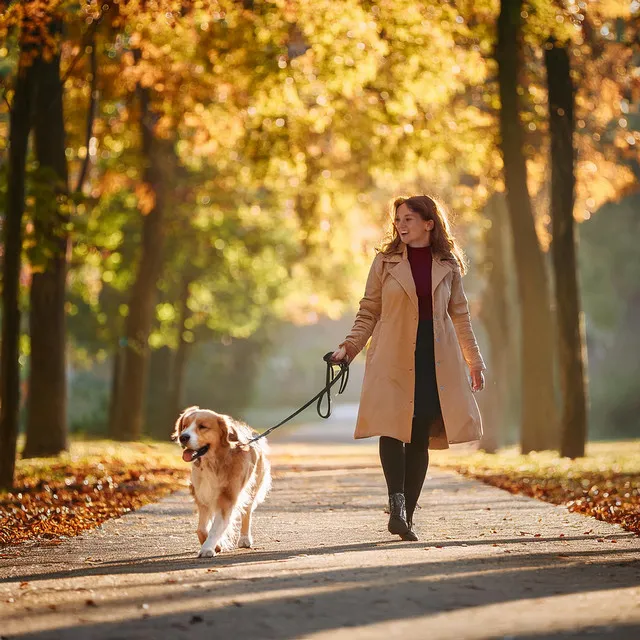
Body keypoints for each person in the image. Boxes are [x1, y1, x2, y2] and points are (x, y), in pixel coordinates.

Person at [332, 194, 486, 541]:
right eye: (398, 219)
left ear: (429, 223)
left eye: (409, 219)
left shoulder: (447, 264)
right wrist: (349, 347)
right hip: (392, 355)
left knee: (419, 436)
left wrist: (473, 360)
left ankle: (407, 517)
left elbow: (460, 315)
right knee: (392, 427)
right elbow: (369, 310)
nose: (401, 225)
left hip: (435, 359)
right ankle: (396, 502)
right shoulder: (385, 263)